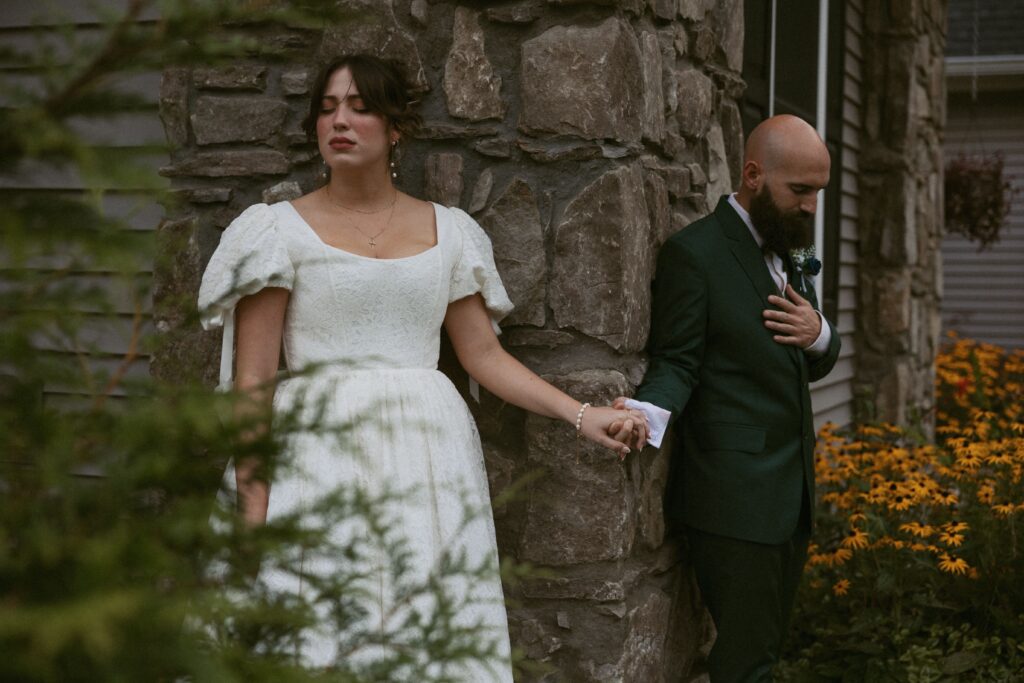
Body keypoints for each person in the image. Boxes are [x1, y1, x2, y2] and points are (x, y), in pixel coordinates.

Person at [197, 54, 644, 678]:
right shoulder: (275, 232)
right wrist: (252, 506)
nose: (340, 122)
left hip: (428, 463)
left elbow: (483, 356)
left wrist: (581, 414)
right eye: (327, 109)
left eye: (359, 107)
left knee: (424, 636)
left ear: (396, 126)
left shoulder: (451, 232)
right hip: (315, 457)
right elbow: (253, 381)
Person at [617, 115, 842, 681]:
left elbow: (801, 363)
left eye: (819, 192)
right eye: (801, 190)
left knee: (760, 653)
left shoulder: (787, 249)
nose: (812, 207)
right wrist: (644, 414)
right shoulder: (696, 255)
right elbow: (677, 361)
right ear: (752, 175)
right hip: (735, 499)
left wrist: (820, 335)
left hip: (789, 495)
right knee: (748, 663)